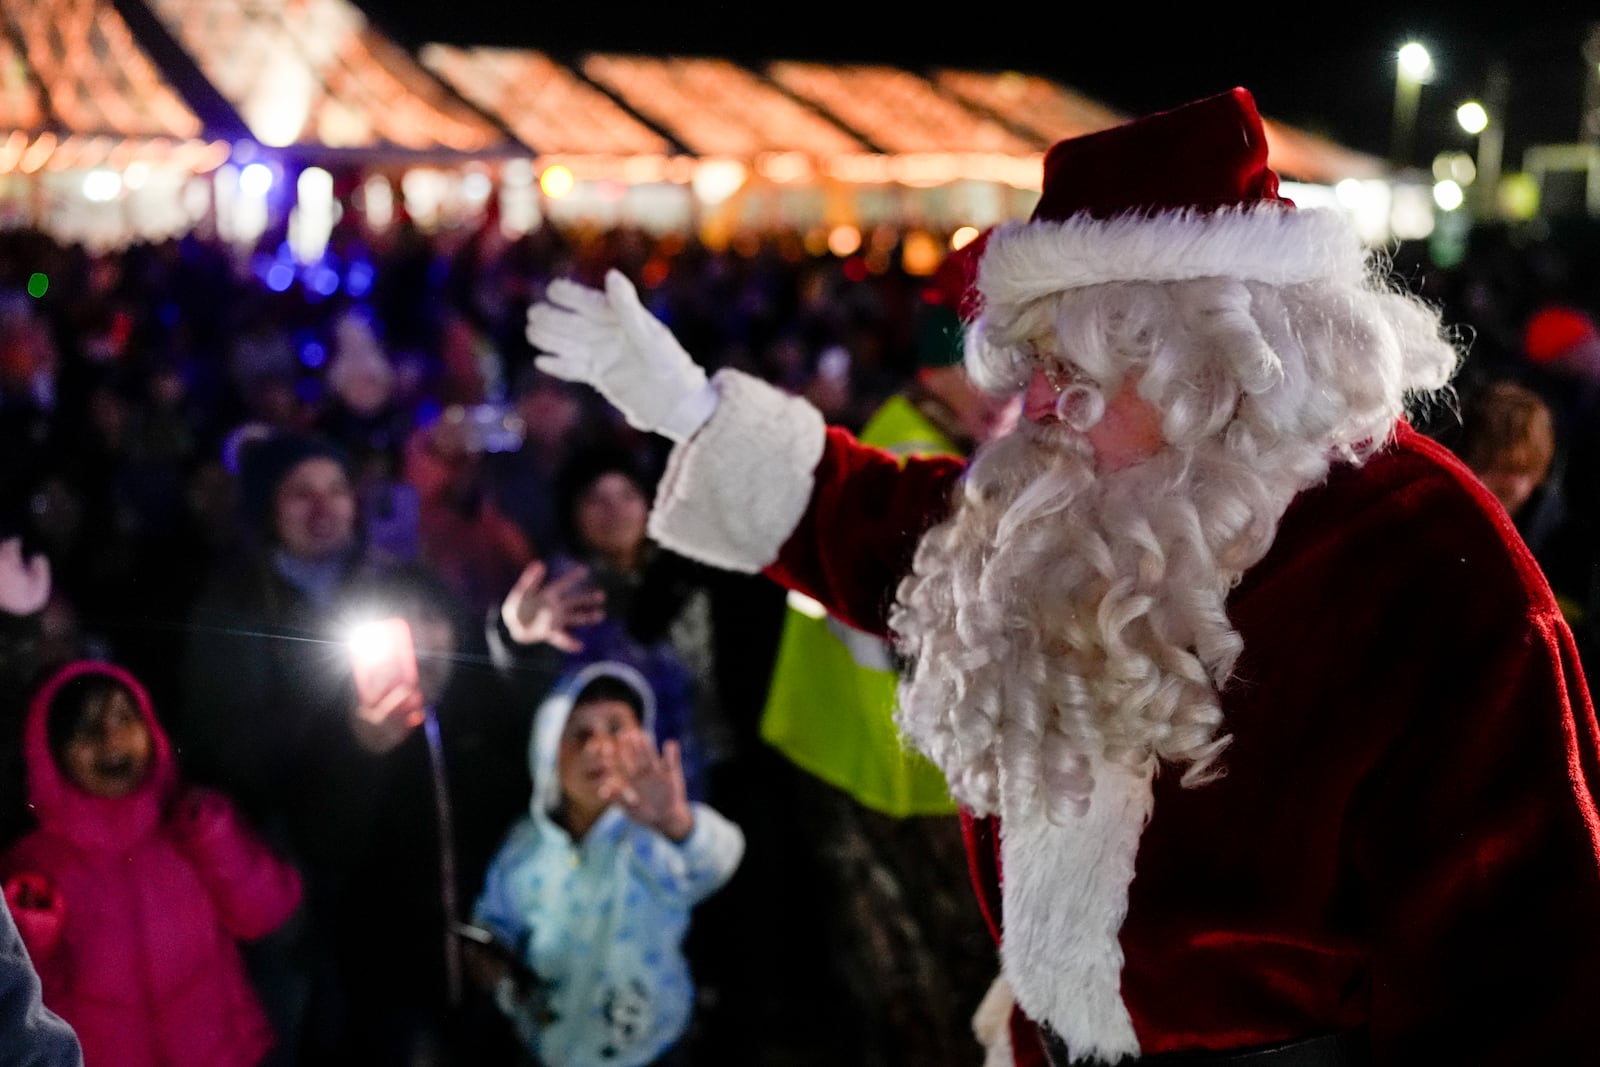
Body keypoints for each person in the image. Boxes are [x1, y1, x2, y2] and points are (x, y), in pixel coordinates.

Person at [527, 88, 1600, 1065]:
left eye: (1072, 371)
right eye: (1036, 368)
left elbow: (1521, 976)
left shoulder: (1427, 569)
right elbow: (896, 531)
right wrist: (688, 408)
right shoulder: (1088, 489)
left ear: (1214, 367)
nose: (1036, 408)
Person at [1, 661, 302, 1067]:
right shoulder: (33, 867)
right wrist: (30, 937)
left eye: (124, 716)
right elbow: (27, 1010)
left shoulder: (191, 821)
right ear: (51, 753)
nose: (111, 737)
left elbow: (268, 914)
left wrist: (217, 840)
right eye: (84, 727)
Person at [469, 661, 744, 1067]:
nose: (598, 747)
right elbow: (495, 919)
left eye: (616, 728)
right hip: (547, 1045)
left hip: (652, 1048)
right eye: (579, 734)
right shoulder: (524, 845)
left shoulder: (652, 836)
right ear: (546, 754)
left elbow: (714, 863)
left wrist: (676, 824)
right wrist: (487, 953)